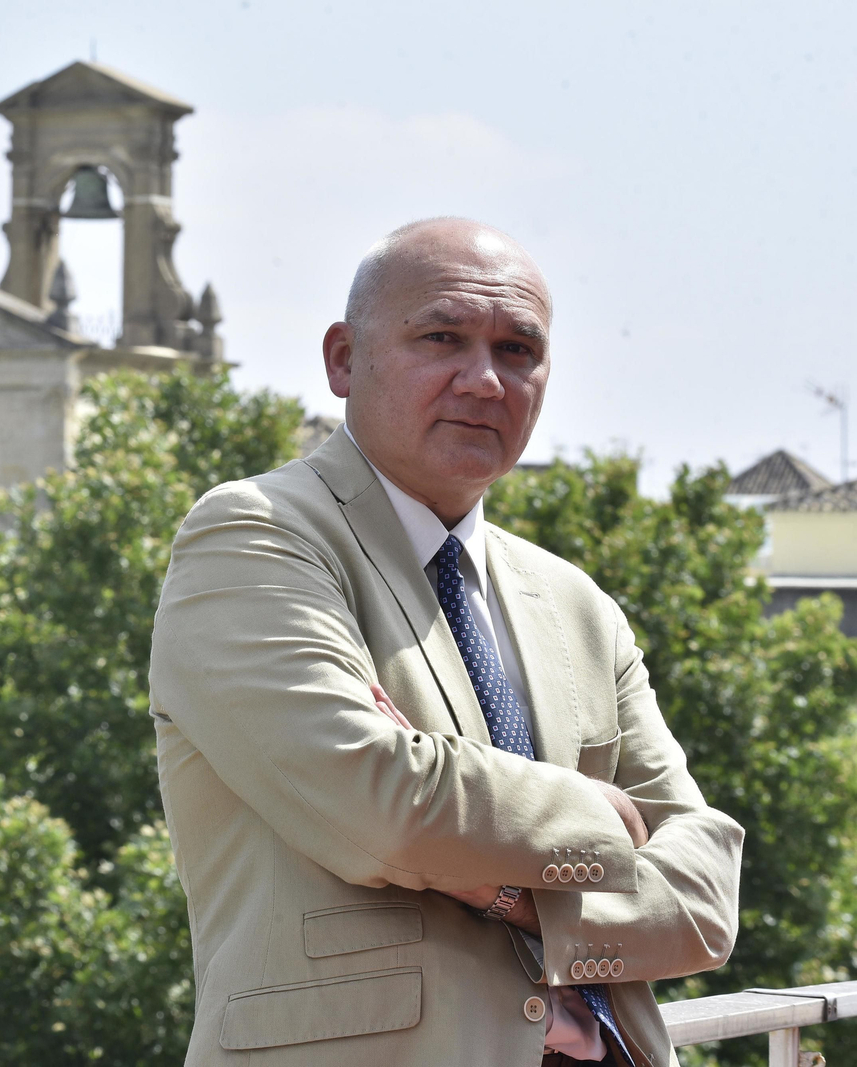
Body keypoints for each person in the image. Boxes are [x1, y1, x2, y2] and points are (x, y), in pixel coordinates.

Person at [148, 218, 743, 1066]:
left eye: (517, 350)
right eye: (442, 338)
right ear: (344, 359)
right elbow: (383, 806)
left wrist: (509, 890)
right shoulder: (255, 537)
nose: (485, 379)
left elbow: (707, 894)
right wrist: (603, 814)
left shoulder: (575, 603)